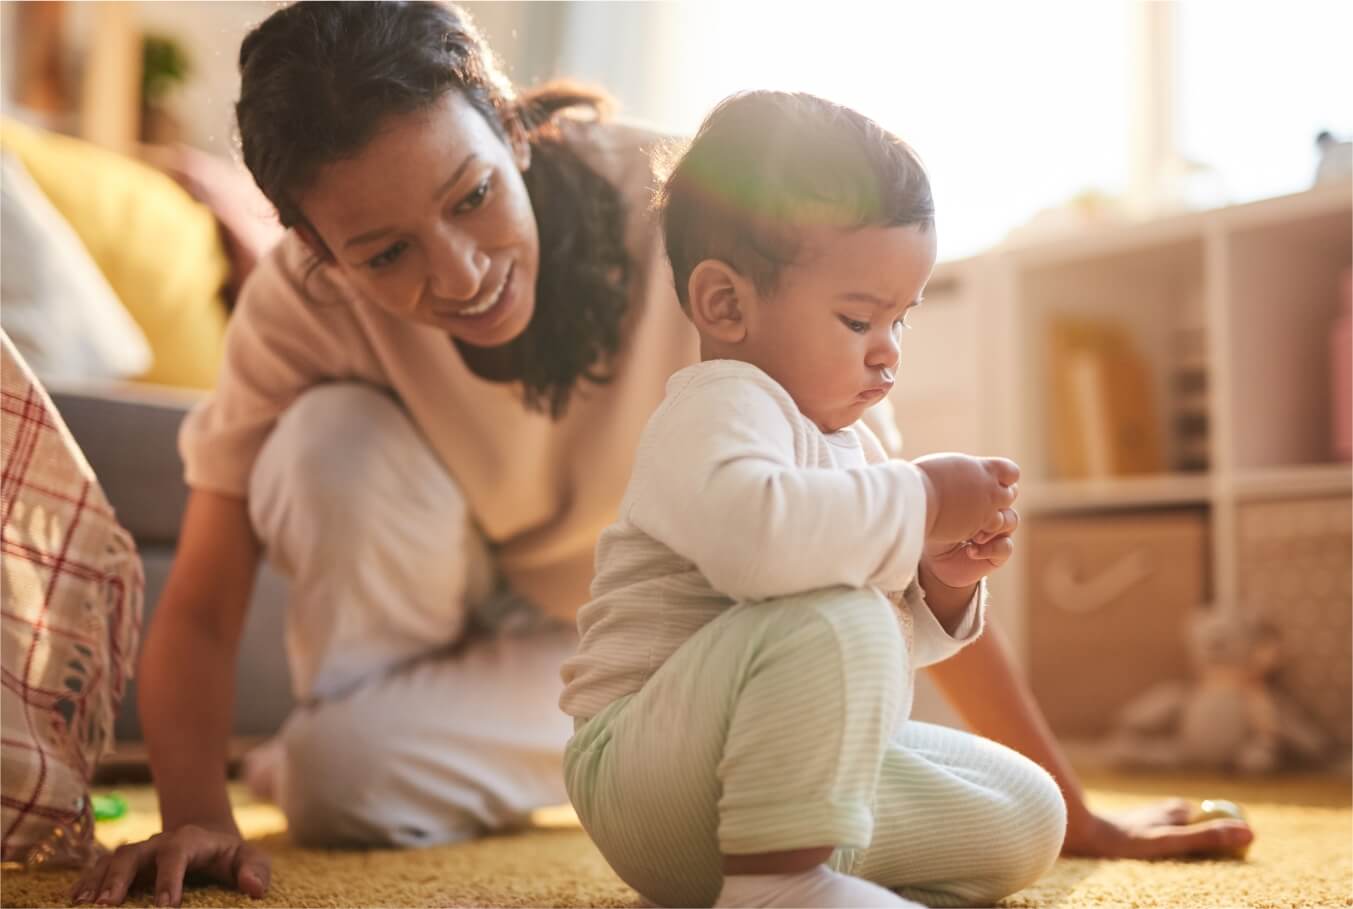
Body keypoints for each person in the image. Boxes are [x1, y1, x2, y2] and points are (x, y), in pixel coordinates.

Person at [70, 2, 1254, 907]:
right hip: (503, 643)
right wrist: (193, 811)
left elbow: (884, 525)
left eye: (473, 195)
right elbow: (212, 593)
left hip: (678, 644)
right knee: (327, 489)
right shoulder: (299, 304)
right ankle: (392, 756)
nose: (459, 273)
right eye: (382, 255)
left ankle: (725, 786)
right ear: (318, 252)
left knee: (1007, 803)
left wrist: (1077, 808)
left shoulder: (704, 218)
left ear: (511, 125)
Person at [560, 90, 1062, 909]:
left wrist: (939, 579)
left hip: (759, 783)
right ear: (724, 304)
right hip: (647, 775)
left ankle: (811, 868)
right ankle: (780, 884)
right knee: (838, 607)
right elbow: (764, 553)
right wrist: (924, 497)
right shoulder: (716, 404)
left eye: (901, 320)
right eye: (859, 318)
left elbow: (873, 651)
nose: (887, 354)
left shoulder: (848, 439)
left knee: (1026, 808)